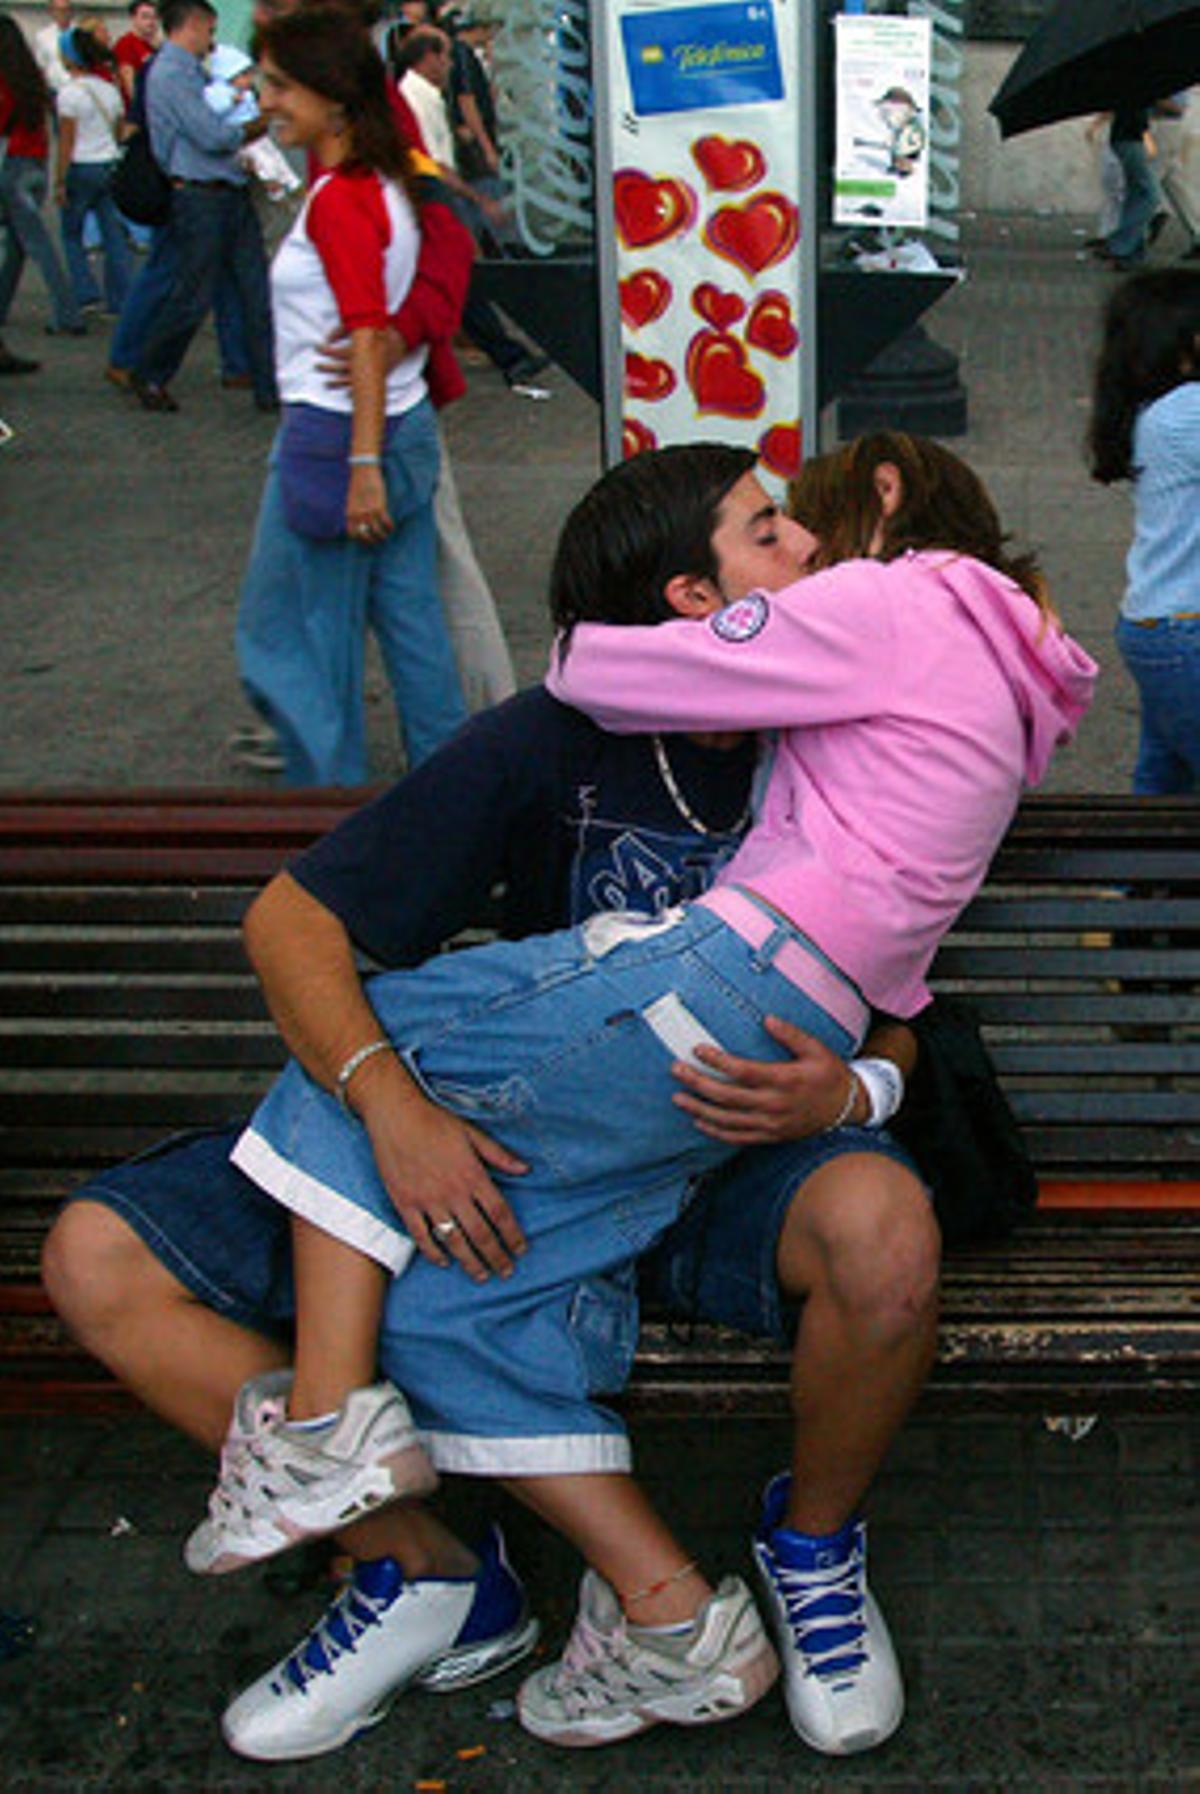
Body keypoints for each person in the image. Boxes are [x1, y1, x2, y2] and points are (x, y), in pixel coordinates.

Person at [46, 439, 937, 1765]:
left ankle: (808, 1549)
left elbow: (912, 1005)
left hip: (729, 1162)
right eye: (767, 532)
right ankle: (422, 1563)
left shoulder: (845, 733)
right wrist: (396, 1112)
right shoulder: (544, 741)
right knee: (97, 1257)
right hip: (514, 1147)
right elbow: (294, 925)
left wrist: (850, 1089)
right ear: (695, 600)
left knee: (886, 1230)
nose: (805, 545)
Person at [234, 4, 465, 784]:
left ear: (330, 95)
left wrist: (361, 461)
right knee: (412, 627)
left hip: (338, 441)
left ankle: (324, 815)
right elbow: (379, 328)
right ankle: (450, 799)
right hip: (399, 430)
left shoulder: (341, 197)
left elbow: (364, 331)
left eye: (278, 86)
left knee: (297, 640)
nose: (264, 100)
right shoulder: (387, 177)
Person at [130, 0, 275, 412]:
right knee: (194, 293)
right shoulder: (172, 73)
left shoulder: (189, 71)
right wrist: (255, 124)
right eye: (209, 31)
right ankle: (152, 370)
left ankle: (269, 384)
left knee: (254, 289)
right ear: (191, 26)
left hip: (223, 188)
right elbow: (210, 135)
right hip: (199, 193)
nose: (211, 42)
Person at [1088, 268, 1200, 792]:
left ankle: (1129, 876)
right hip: (1187, 632)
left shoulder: (1155, 411)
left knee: (1162, 794)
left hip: (1163, 627)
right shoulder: (1185, 413)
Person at [394, 19, 549, 391]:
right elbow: (432, 162)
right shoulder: (416, 98)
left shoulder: (422, 95)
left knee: (458, 279)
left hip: (432, 193)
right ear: (429, 58)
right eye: (446, 57)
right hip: (430, 194)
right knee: (463, 277)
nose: (449, 66)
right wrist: (475, 198)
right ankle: (508, 355)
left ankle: (504, 354)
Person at [0, 13, 82, 346]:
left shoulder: (4, 82)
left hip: (11, 164)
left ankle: (67, 312)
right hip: (36, 163)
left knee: (36, 245)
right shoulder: (31, 78)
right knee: (22, 245)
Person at [53, 25, 131, 318]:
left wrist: (59, 180)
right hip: (108, 163)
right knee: (114, 235)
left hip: (80, 166)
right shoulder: (109, 90)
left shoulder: (69, 94)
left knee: (72, 234)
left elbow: (66, 141)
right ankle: (120, 298)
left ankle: (86, 293)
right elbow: (118, 130)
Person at [1103, 103, 1161, 271]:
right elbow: (1136, 116)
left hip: (1125, 138)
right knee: (1149, 195)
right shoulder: (1136, 87)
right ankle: (1121, 245)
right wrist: (1147, 137)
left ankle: (1135, 250)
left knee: (1137, 194)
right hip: (1131, 139)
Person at [112, 0, 157, 109]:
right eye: (145, 17)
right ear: (133, 19)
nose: (150, 22)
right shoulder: (126, 44)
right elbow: (129, 83)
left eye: (153, 17)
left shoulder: (153, 47)